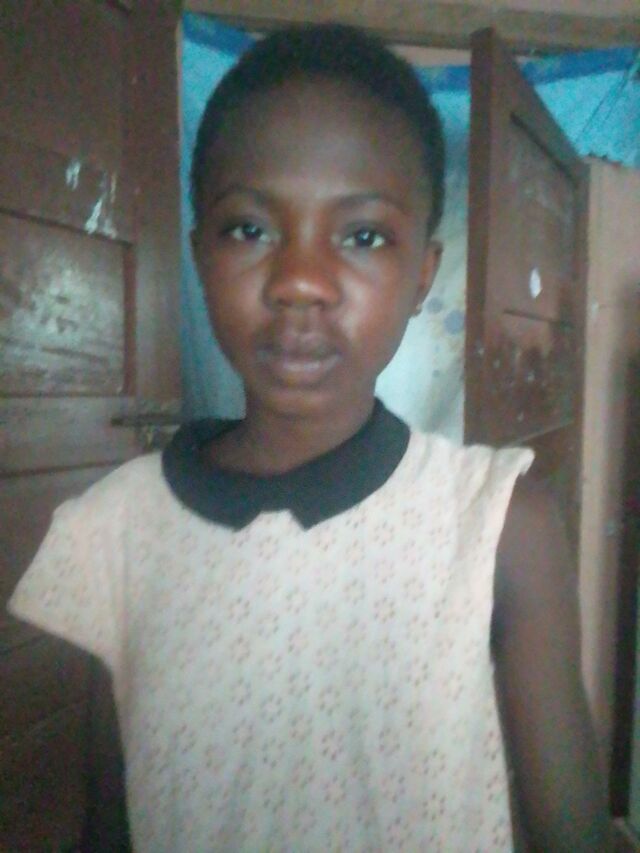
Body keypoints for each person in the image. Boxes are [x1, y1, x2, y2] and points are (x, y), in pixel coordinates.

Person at [9, 23, 611, 852]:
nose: (299, 281)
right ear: (200, 255)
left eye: (363, 236)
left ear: (421, 274)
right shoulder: (108, 533)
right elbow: (110, 824)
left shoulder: (501, 525)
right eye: (249, 229)